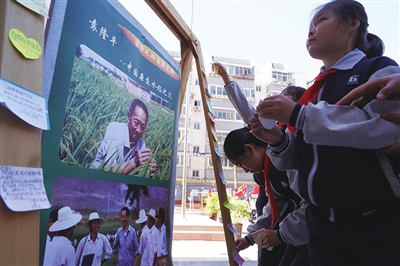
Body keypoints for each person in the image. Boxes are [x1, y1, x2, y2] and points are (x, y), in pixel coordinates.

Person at [250, 1, 400, 265]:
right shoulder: (314, 90)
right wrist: (279, 141)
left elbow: (385, 129)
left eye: (321, 20)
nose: (311, 31)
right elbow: (300, 163)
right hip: (320, 226)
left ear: (353, 24)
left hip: (373, 224)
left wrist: (298, 115)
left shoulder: (378, 69)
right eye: (310, 25)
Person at [214, 61, 309, 266]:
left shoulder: (299, 152)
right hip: (285, 227)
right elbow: (250, 116)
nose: (245, 170)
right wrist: (227, 80)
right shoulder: (270, 144)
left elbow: (309, 208)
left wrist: (281, 235)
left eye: (286, 103)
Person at [92, 98, 157, 176]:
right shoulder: (114, 129)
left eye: (143, 126)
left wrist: (148, 169)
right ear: (128, 115)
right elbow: (107, 169)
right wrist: (134, 162)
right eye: (136, 122)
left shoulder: (141, 145)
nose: (139, 130)